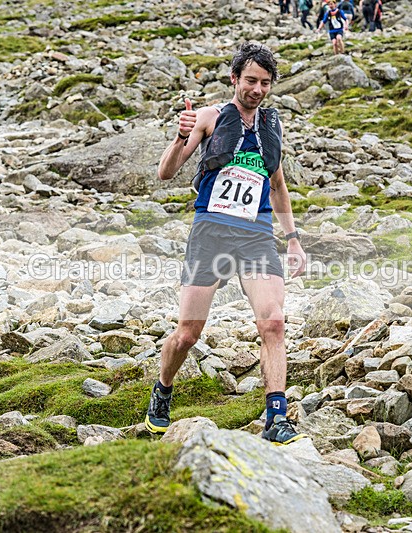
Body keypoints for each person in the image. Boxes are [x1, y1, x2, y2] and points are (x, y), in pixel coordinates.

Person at [146, 42, 307, 445]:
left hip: (256, 235)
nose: (257, 89)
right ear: (235, 79)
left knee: (273, 322)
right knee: (187, 334)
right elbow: (166, 173)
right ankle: (163, 389)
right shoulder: (208, 117)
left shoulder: (271, 125)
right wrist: (178, 137)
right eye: (250, 80)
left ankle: (277, 415)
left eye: (265, 83)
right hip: (211, 232)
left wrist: (293, 239)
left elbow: (278, 186)